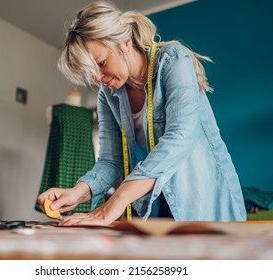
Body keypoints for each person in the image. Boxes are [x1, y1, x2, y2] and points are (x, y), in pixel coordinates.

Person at [37, 1, 246, 226]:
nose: (97, 78)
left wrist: (112, 205)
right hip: (159, 201)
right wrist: (77, 192)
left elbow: (181, 136)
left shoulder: (173, 60)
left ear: (125, 42)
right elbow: (110, 160)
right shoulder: (107, 95)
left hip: (206, 200)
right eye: (91, 72)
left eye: (101, 63)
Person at [35, 88, 104, 214]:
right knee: (57, 206)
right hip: (61, 164)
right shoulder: (54, 110)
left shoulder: (90, 115)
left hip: (84, 165)